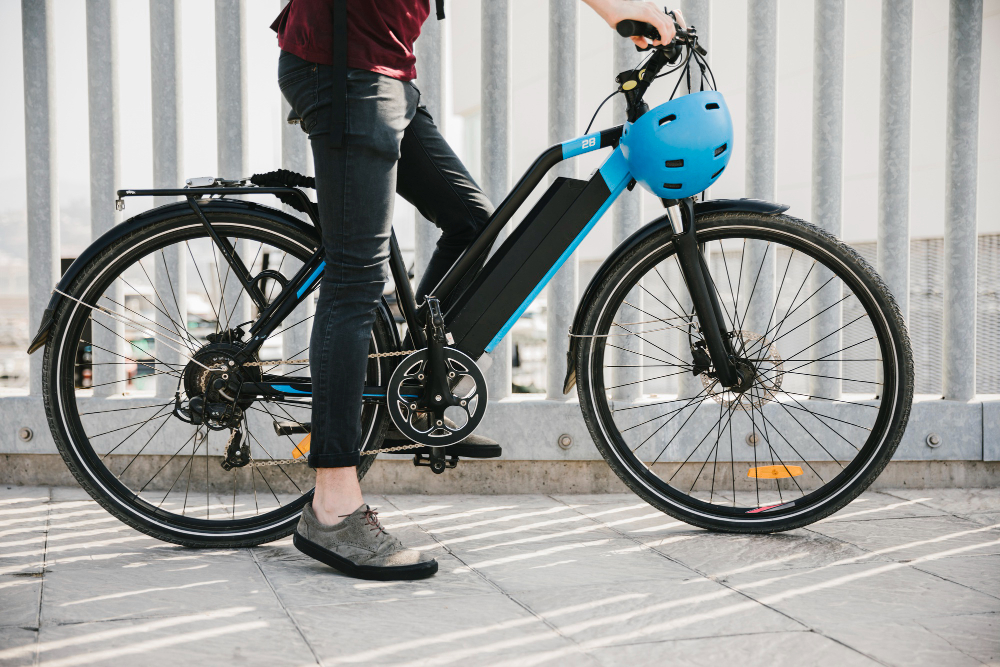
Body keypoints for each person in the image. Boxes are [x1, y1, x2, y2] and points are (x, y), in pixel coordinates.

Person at [273, 0, 684, 581]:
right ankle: (332, 508)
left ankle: (410, 383)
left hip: (383, 67)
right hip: (346, 67)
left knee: (472, 222)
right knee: (355, 278)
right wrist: (624, 11)